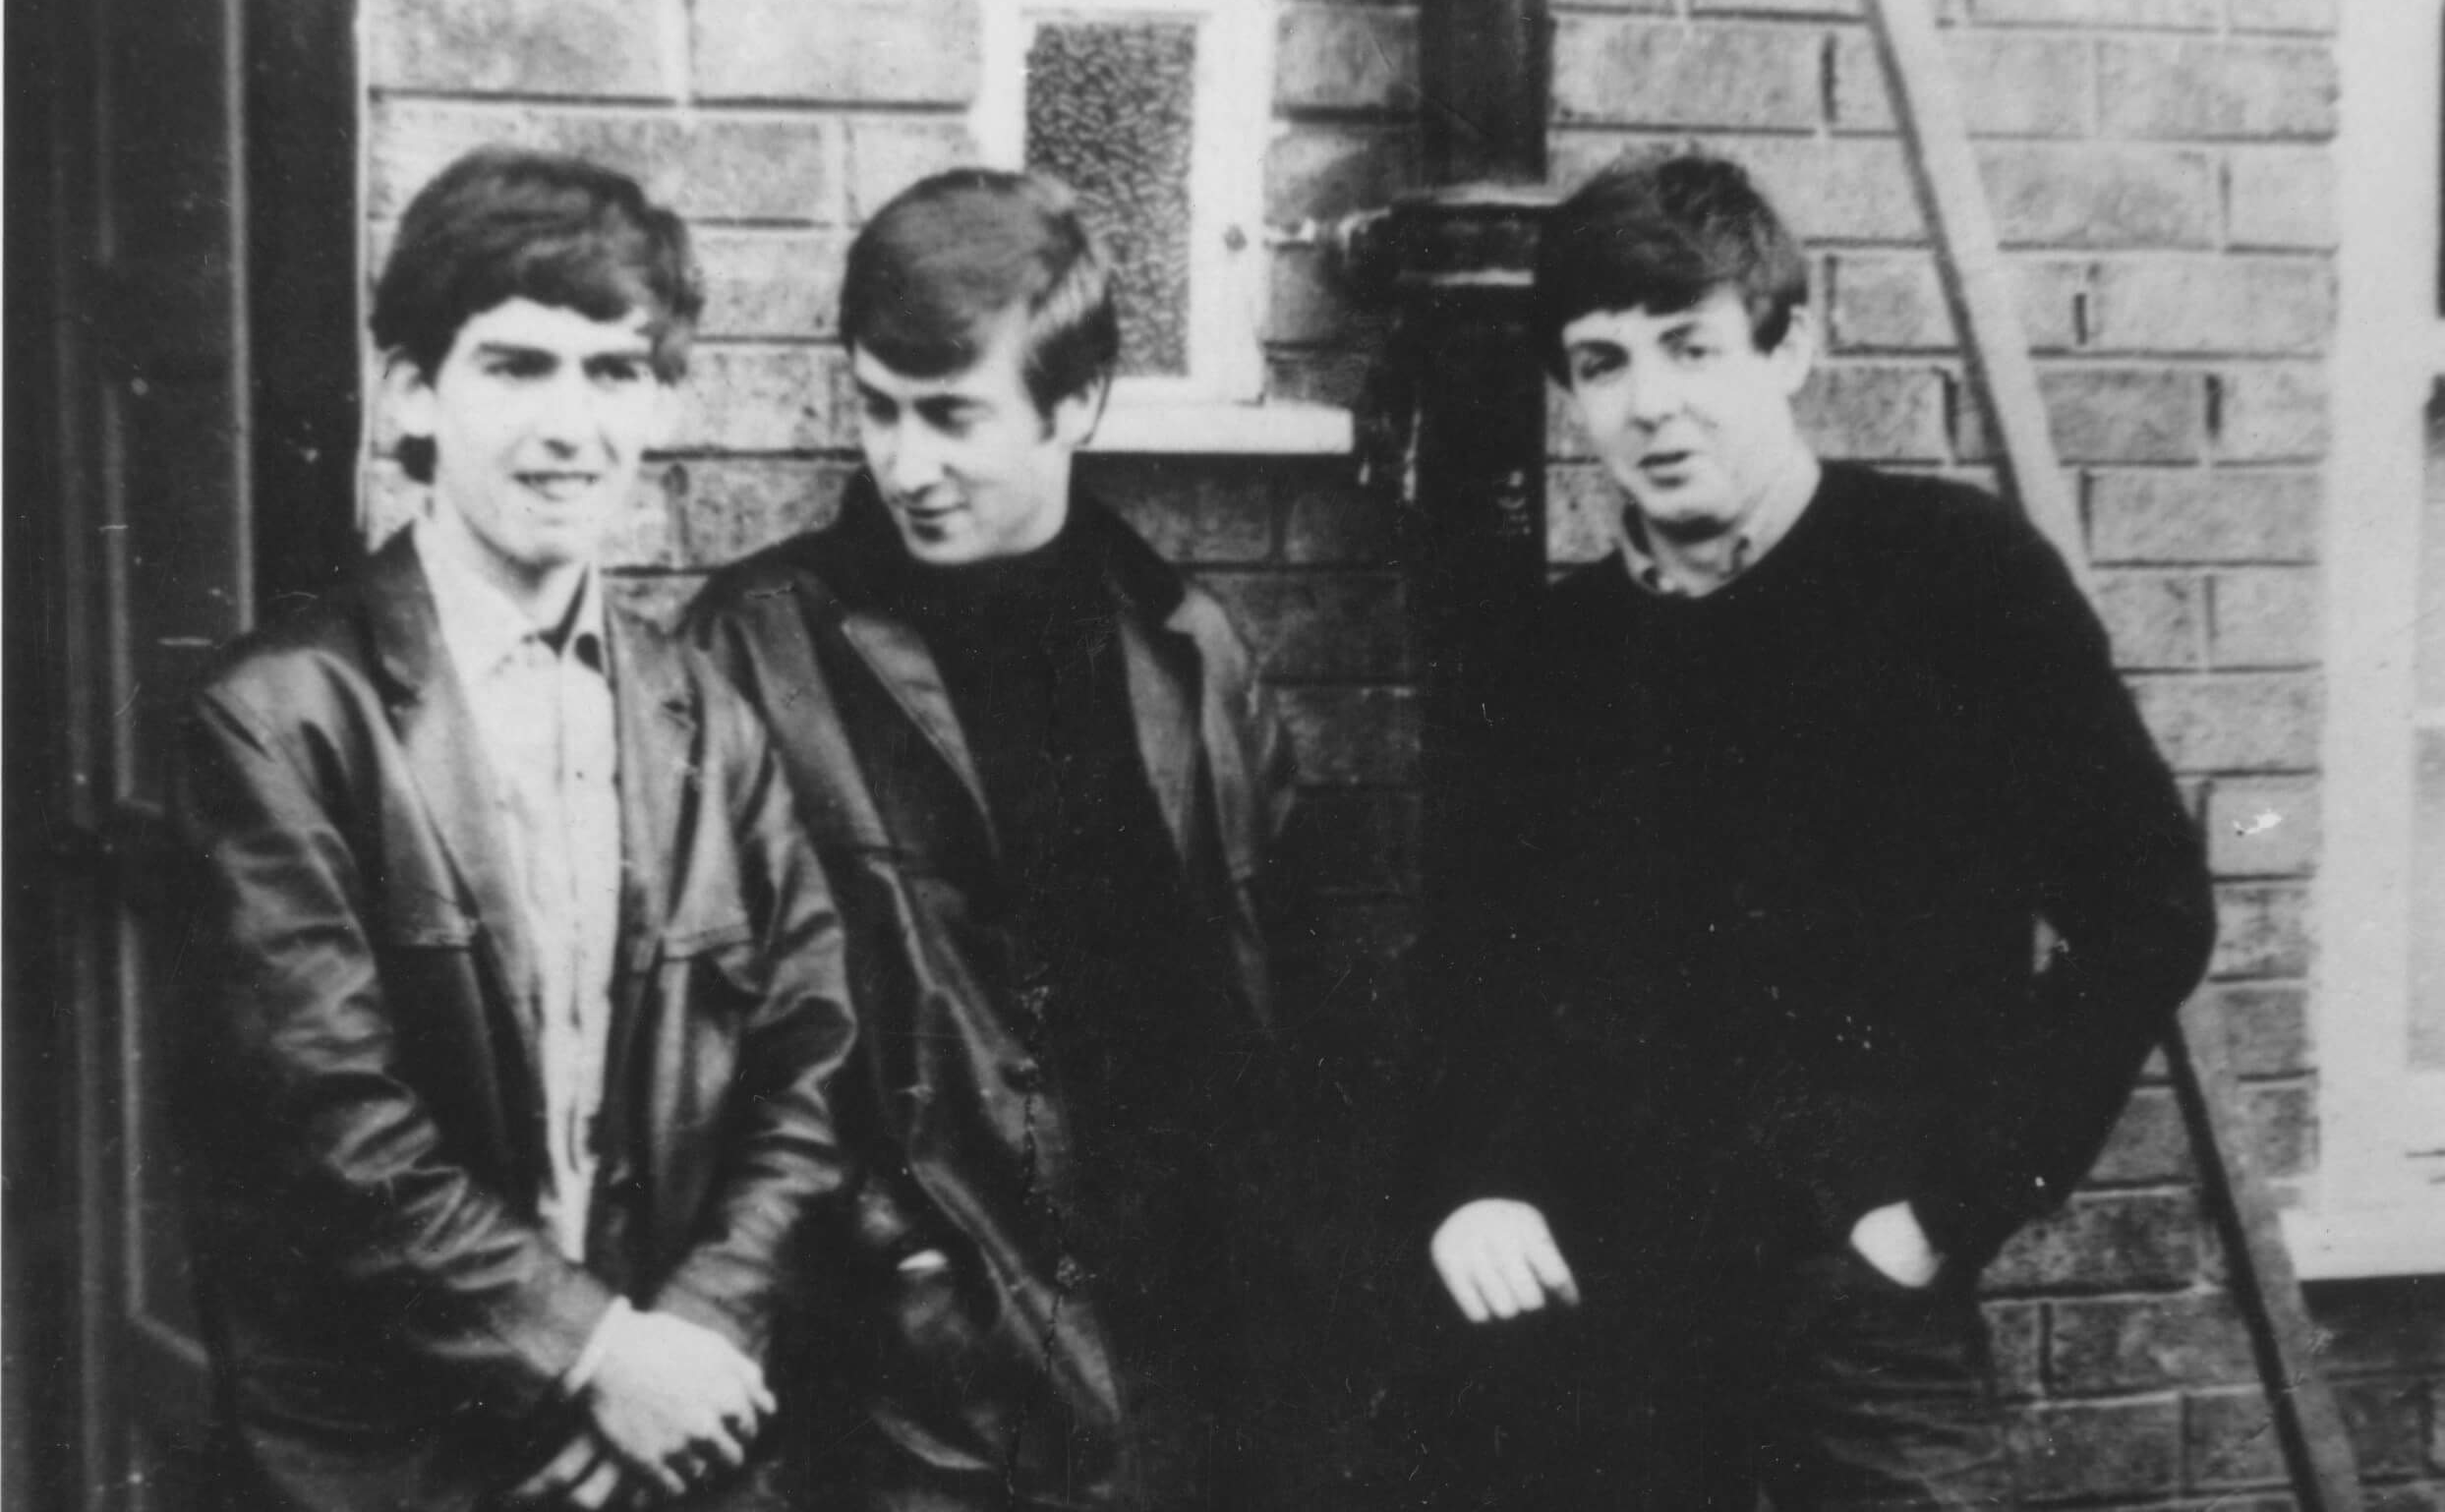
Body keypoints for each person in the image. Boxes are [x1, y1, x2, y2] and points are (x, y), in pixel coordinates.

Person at [1418, 152, 2217, 1509]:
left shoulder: (1953, 580)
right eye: (1603, 364)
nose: (1652, 404)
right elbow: (1470, 971)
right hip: (1603, 1315)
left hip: (1861, 1313)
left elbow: (2148, 911)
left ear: (1790, 348)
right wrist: (1472, 1187)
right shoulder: (1546, 659)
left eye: (1693, 347)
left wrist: (1947, 1213)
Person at [171, 147, 856, 1512]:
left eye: (614, 373)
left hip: (664, 1457)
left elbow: (810, 1060)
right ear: (415, 392)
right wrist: (592, 1353)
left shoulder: (703, 717)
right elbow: (333, 1132)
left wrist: (690, 1347)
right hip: (392, 1463)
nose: (570, 425)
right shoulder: (283, 719)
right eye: (516, 366)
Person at [688, 169, 1324, 1511]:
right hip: (925, 1399)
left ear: (1076, 402)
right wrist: (913, 1284)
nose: (905, 463)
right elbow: (721, 1049)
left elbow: (1280, 1002)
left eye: (951, 415)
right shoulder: (757, 648)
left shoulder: (1189, 649)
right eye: (877, 409)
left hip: (1200, 1371)